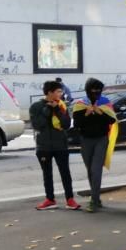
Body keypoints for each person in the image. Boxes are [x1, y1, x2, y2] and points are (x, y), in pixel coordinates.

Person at [31, 80, 79, 211]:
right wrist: (48, 110)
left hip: (61, 145)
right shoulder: (36, 106)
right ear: (49, 92)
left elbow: (66, 124)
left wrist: (57, 109)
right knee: (47, 174)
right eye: (58, 91)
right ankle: (50, 199)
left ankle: (70, 199)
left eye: (61, 91)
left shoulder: (62, 106)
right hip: (44, 146)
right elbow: (37, 125)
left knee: (65, 173)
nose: (61, 93)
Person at [72, 78, 117, 213]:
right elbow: (77, 123)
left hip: (101, 140)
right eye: (93, 89)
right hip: (86, 140)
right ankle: (96, 198)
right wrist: (86, 113)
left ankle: (93, 200)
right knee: (90, 170)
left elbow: (112, 119)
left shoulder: (105, 103)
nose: (96, 92)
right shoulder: (80, 104)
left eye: (99, 89)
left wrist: (99, 112)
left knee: (96, 170)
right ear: (87, 90)